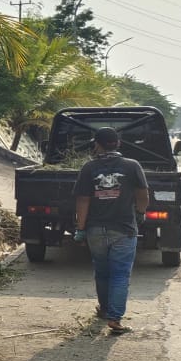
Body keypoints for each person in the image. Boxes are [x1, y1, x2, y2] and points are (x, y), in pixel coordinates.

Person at [73, 127, 149, 335]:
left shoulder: (89, 168)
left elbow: (83, 200)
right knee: (120, 275)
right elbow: (143, 194)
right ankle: (114, 319)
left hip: (95, 230)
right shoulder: (132, 166)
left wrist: (80, 229)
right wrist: (140, 213)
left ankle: (105, 309)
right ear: (118, 143)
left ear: (97, 144)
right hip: (124, 229)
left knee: (102, 271)